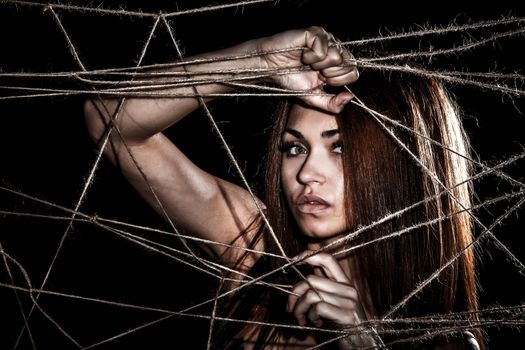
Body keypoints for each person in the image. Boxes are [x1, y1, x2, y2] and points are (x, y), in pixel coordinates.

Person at [84, 27, 483, 349]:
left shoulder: (444, 341)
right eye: (295, 147)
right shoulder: (254, 248)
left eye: (339, 148)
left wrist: (362, 342)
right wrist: (257, 60)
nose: (308, 172)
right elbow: (111, 123)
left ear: (400, 165)